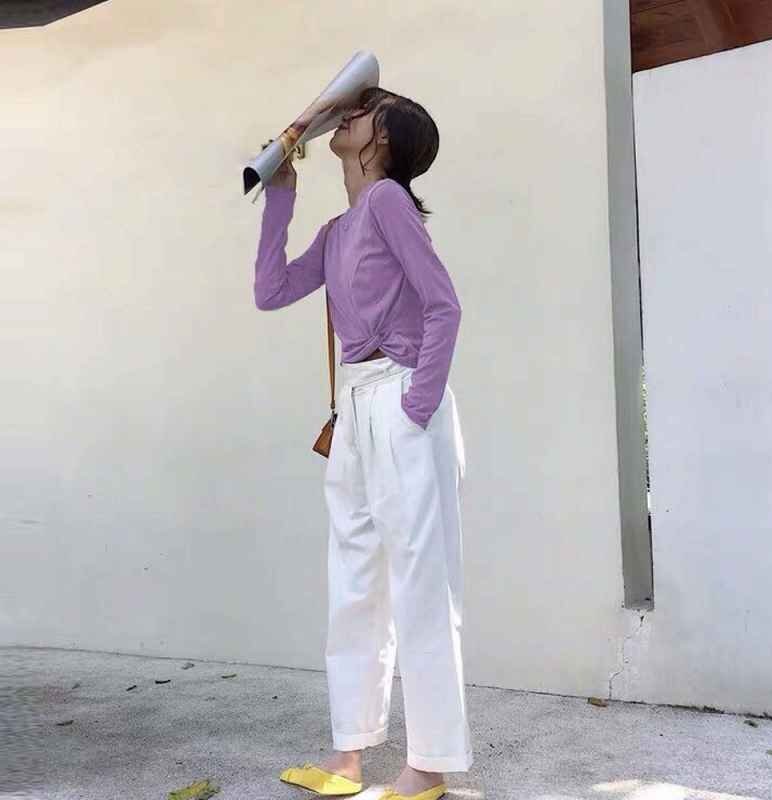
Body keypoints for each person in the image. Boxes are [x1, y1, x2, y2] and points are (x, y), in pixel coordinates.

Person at [253, 86, 471, 800]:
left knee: (420, 584)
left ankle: (429, 765)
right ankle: (348, 757)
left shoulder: (386, 202)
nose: (347, 114)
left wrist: (417, 405)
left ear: (382, 141)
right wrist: (280, 195)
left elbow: (443, 304)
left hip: (400, 401)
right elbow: (270, 290)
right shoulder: (341, 228)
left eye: (365, 110)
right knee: (353, 582)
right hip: (352, 410)